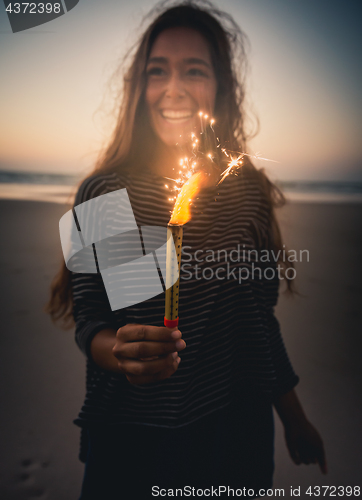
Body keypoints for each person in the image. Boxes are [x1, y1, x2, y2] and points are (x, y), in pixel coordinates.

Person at [47, 1, 327, 498]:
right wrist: (122, 352)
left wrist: (295, 418)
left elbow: (256, 319)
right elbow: (93, 323)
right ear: (140, 88)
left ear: (220, 87)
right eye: (158, 71)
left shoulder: (248, 191)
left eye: (193, 70)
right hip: (133, 442)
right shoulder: (106, 192)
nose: (173, 88)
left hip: (236, 434)